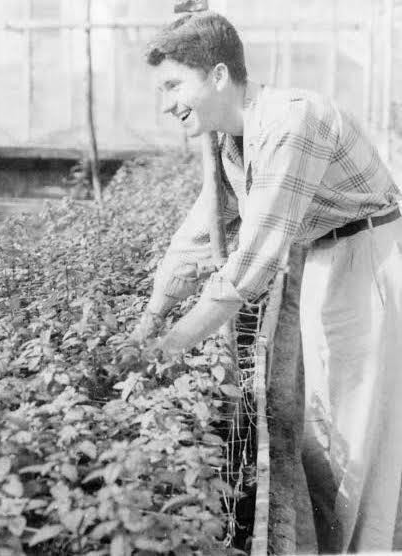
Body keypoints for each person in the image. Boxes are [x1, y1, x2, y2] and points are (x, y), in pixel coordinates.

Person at [131, 12, 402, 554]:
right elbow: (197, 234)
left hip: (367, 256)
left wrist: (171, 346)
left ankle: (365, 547)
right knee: (328, 421)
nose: (165, 103)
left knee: (356, 431)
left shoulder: (287, 123)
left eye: (173, 85)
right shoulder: (234, 137)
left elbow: (254, 263)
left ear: (218, 76)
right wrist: (150, 318)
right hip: (331, 255)